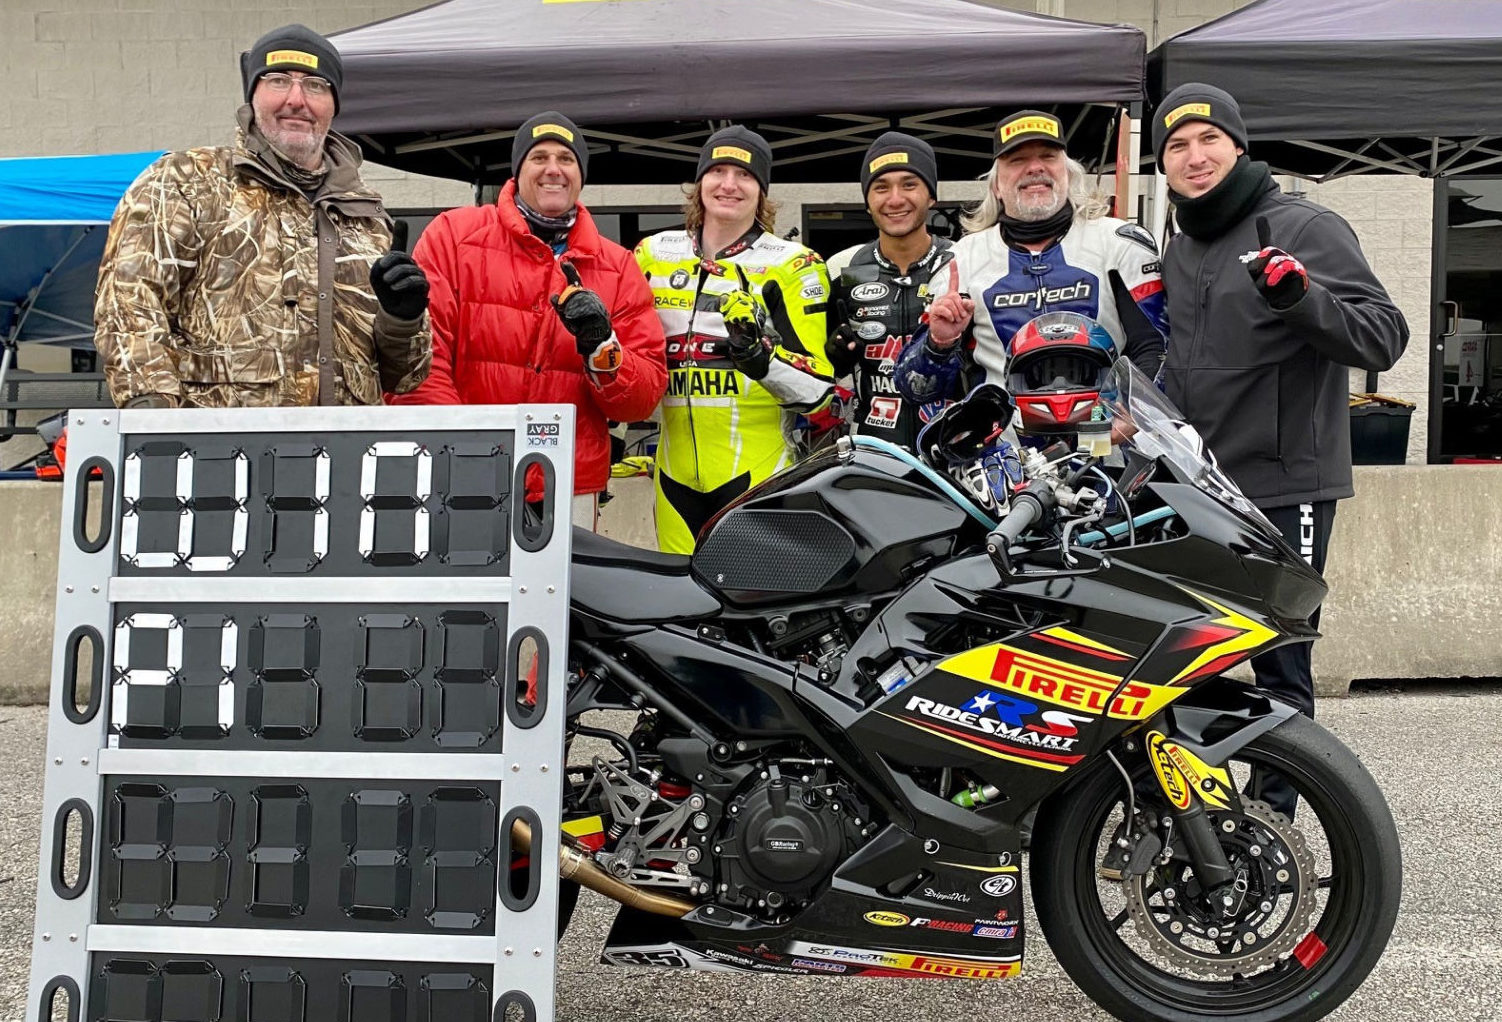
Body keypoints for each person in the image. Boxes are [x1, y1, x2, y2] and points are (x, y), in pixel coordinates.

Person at [1153, 83, 1408, 767]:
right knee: (1181, 664)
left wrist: (1301, 298)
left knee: (1280, 673)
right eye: (1177, 145)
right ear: (1164, 164)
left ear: (1238, 147)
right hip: (1199, 489)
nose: (1195, 156)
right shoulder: (1179, 248)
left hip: (1286, 483)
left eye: (1209, 139)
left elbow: (1384, 338)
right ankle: (1197, 829)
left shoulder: (1303, 226)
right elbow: (1185, 362)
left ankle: (1278, 833)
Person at [94, 24, 431, 409]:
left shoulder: (366, 217)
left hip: (344, 453)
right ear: (252, 96)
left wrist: (402, 319)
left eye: (316, 85)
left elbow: (404, 376)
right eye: (277, 81)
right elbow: (129, 305)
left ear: (334, 105)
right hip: (219, 451)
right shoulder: (186, 180)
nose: (296, 99)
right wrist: (154, 424)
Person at [393, 112, 667, 527]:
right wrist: (463, 453)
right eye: (539, 157)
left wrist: (603, 349)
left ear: (581, 175)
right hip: (461, 475)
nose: (553, 169)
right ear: (518, 170)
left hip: (568, 486)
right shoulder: (454, 234)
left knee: (567, 594)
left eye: (566, 159)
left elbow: (642, 398)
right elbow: (420, 362)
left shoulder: (618, 266)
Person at [635, 127, 835, 553]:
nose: (729, 184)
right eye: (718, 171)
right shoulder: (651, 254)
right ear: (699, 182)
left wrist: (760, 358)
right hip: (671, 477)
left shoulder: (792, 265)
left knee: (749, 608)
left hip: (758, 474)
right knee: (678, 608)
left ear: (762, 191)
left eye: (744, 175)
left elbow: (820, 391)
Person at [894, 110, 1167, 410]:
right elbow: (916, 391)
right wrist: (939, 344)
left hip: (1104, 444)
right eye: (1017, 160)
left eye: (1048, 156)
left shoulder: (1119, 242)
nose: (1035, 168)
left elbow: (1157, 350)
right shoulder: (961, 260)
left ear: (1069, 172)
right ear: (996, 185)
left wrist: (1128, 416)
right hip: (1002, 451)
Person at [824, 132, 954, 448]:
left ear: (932, 196)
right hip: (874, 452)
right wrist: (834, 358)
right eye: (881, 187)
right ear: (868, 202)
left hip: (955, 451)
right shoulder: (843, 267)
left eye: (909, 184)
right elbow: (816, 370)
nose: (895, 199)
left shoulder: (964, 262)